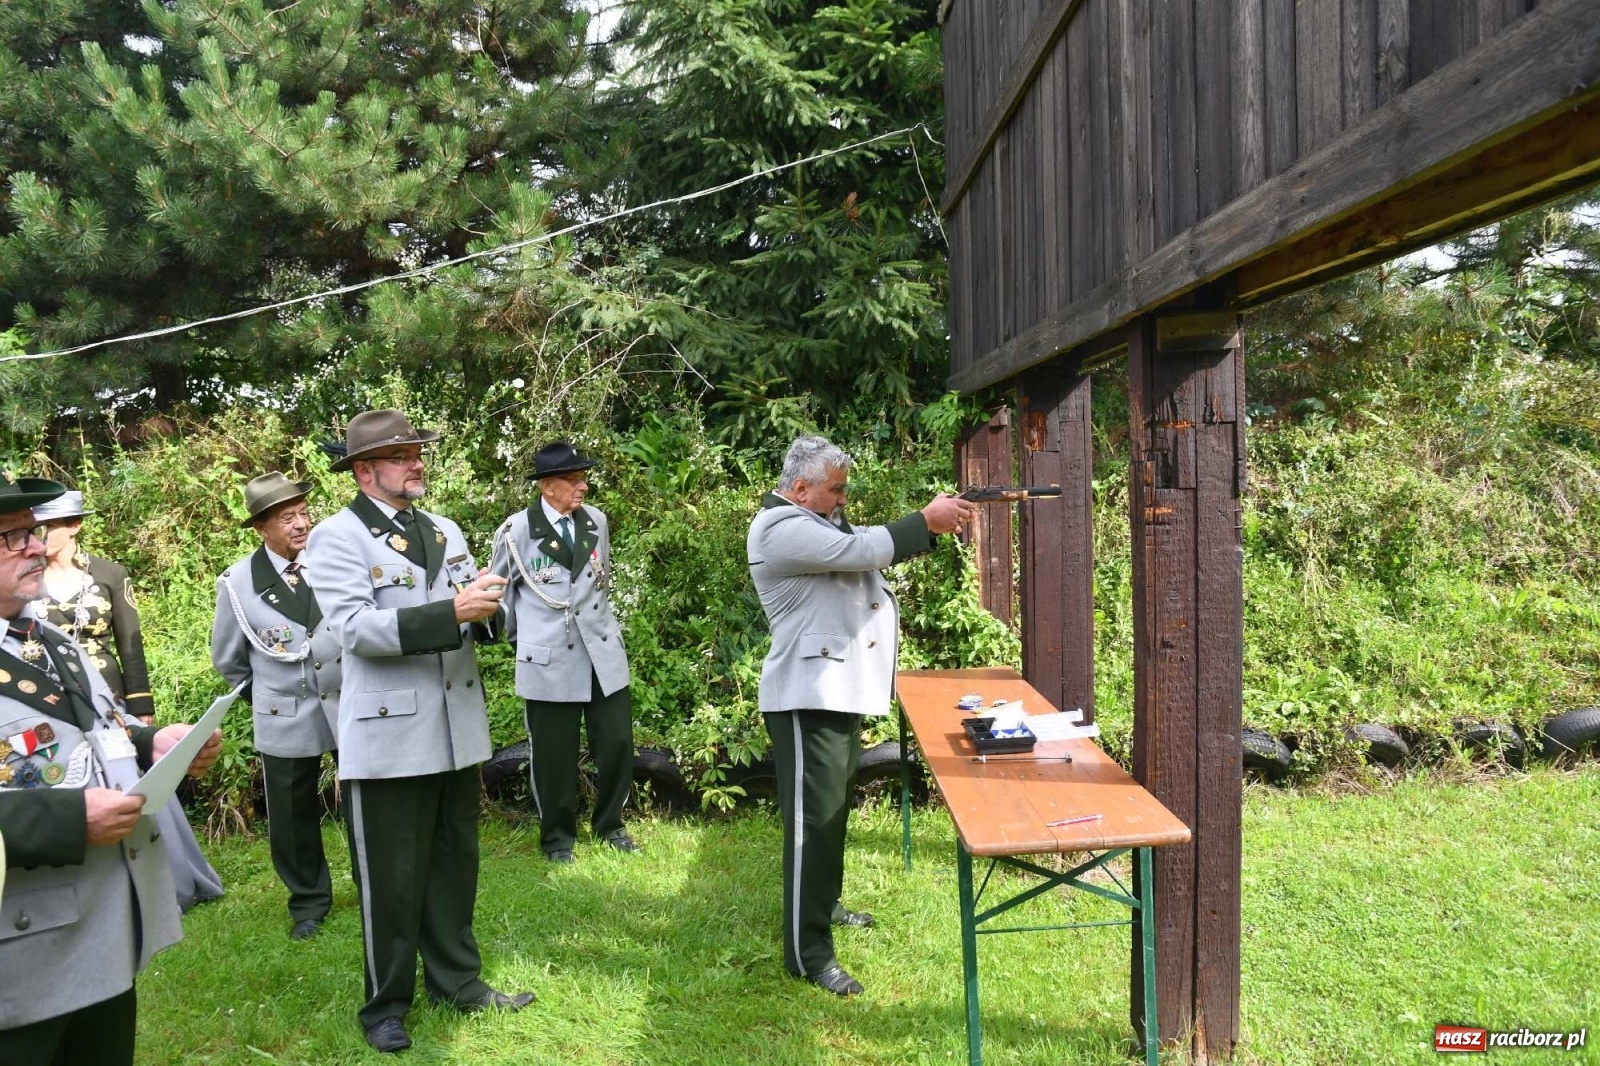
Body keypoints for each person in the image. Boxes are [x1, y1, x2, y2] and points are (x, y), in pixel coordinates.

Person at [306, 409, 534, 1054]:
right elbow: (353, 629)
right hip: (388, 734)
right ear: (364, 470)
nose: (416, 462)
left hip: (455, 728)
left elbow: (471, 608)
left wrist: (489, 609)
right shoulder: (337, 536)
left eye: (417, 451)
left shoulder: (443, 528)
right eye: (402, 455)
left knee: (455, 864)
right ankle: (385, 1005)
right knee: (391, 877)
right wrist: (451, 612)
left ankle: (457, 982)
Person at [0, 472, 222, 1065]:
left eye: (31, 530)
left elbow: (98, 731)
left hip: (102, 934)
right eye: (11, 537)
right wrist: (69, 820)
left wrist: (153, 744)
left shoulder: (55, 642)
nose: (35, 546)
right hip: (18, 960)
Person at [746, 435, 974, 997]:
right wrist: (926, 520)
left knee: (833, 815)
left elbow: (863, 543)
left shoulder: (816, 519)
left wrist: (929, 524)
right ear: (801, 489)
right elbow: (864, 550)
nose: (844, 498)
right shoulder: (780, 527)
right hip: (809, 698)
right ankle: (808, 955)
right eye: (836, 489)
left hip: (835, 692)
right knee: (813, 827)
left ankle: (824, 905)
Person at [31, 489, 224, 911]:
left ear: (74, 526)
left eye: (48, 527)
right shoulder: (27, 577)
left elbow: (130, 645)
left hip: (109, 695)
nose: (40, 536)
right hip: (52, 695)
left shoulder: (109, 574)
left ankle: (167, 875)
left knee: (132, 783)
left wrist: (141, 710)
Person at [489, 441, 638, 864]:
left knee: (616, 743)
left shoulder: (596, 521)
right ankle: (557, 839)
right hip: (549, 658)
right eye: (573, 479)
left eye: (583, 477)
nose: (583, 486)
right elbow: (499, 597)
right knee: (554, 755)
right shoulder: (516, 531)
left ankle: (611, 826)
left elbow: (599, 583)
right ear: (547, 486)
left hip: (601, 653)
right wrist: (528, 644)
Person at [211, 471, 343, 939]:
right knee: (291, 814)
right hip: (285, 711)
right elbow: (228, 660)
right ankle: (308, 902)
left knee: (370, 799)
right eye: (287, 518)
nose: (301, 524)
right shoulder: (238, 583)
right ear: (261, 527)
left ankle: (378, 883)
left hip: (347, 701)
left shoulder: (333, 563)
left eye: (304, 513)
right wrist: (267, 698)